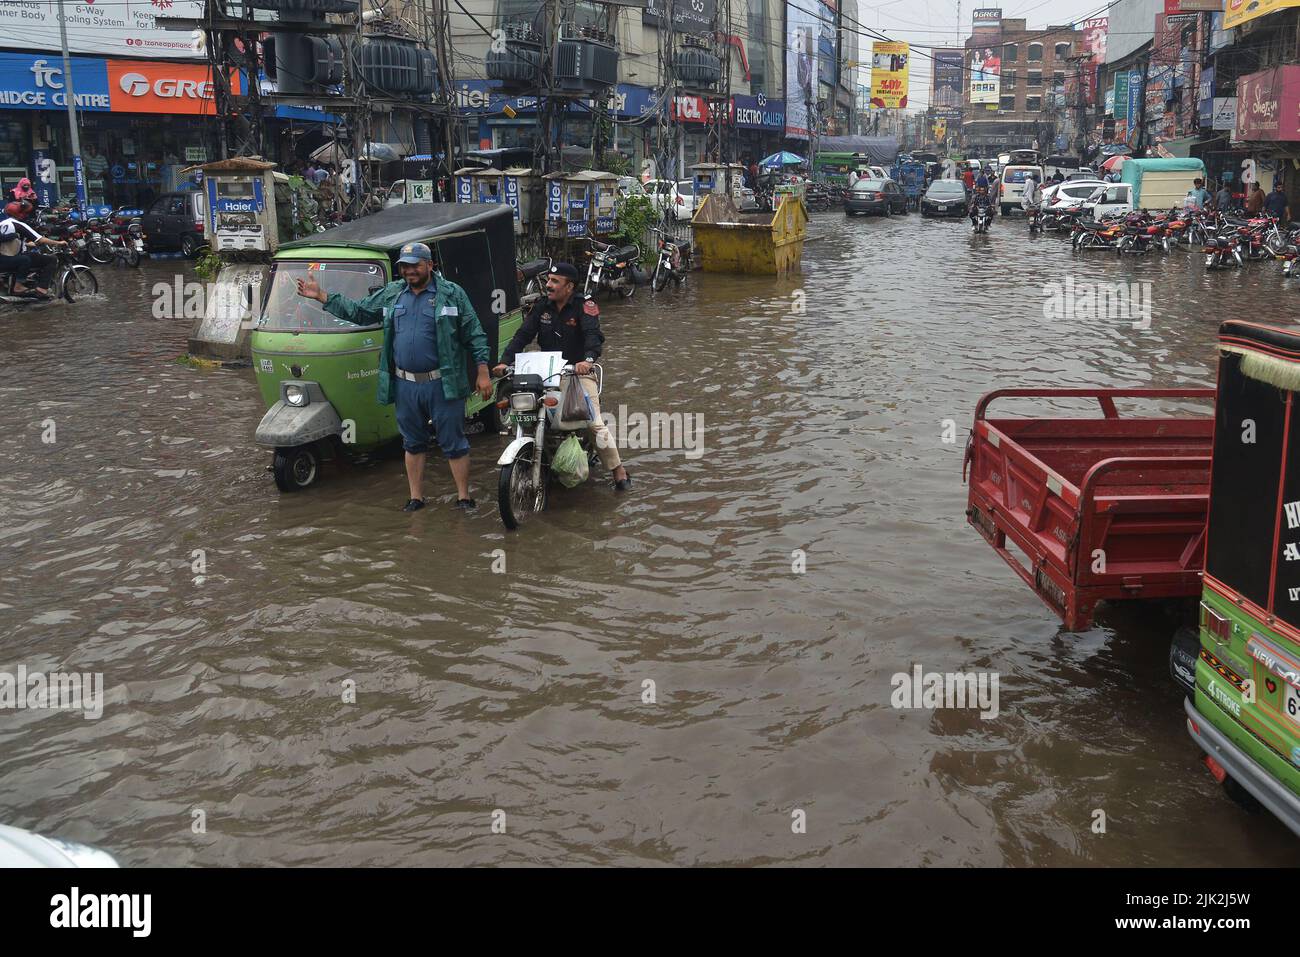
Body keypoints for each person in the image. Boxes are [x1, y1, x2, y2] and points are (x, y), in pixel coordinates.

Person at [295, 241, 493, 512]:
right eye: (404, 266)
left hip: (443, 383)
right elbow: (360, 312)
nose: (409, 271)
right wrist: (323, 297)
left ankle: (463, 497)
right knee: (412, 443)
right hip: (405, 385)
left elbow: (474, 333)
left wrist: (483, 371)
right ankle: (416, 498)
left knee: (454, 442)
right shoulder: (392, 293)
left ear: (430, 265)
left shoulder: (451, 294)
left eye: (415, 266)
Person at [493, 263, 631, 492]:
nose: (548, 285)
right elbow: (523, 335)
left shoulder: (584, 305)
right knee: (524, 415)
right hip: (546, 374)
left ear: (569, 286)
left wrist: (587, 360)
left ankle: (618, 471)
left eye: (555, 281)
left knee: (594, 424)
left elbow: (593, 335)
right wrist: (504, 361)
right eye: (548, 280)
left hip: (577, 374)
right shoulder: (541, 306)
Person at [0, 200, 66, 297]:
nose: (26, 215)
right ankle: (39, 288)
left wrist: (27, 244)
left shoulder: (2, 223)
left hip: (4, 258)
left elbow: (9, 242)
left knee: (32, 256)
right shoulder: (19, 224)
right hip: (9, 259)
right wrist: (59, 242)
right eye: (25, 213)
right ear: (20, 213)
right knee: (51, 259)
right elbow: (40, 240)